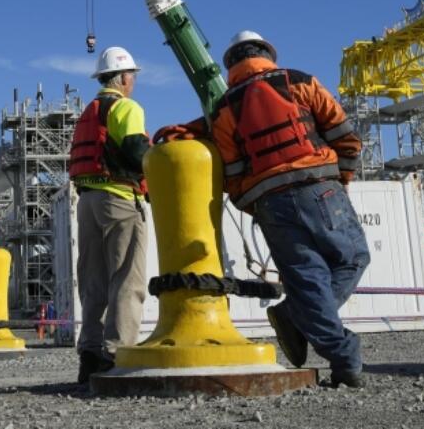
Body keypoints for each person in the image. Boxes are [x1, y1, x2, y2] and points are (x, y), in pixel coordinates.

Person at [154, 30, 370, 388]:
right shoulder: (300, 81)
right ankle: (297, 316)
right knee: (352, 259)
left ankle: (342, 357)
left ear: (231, 66)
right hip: (321, 189)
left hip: (272, 204)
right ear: (268, 53)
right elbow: (343, 133)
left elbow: (233, 173)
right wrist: (341, 180)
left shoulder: (225, 108)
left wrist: (259, 206)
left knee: (307, 280)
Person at [70, 45, 150, 384]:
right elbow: (136, 151)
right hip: (118, 198)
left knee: (94, 281)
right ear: (123, 78)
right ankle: (116, 355)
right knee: (126, 278)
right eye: (132, 76)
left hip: (87, 202)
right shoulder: (125, 107)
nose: (133, 82)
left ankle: (89, 356)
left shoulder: (89, 111)